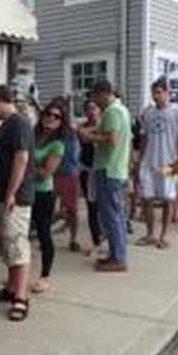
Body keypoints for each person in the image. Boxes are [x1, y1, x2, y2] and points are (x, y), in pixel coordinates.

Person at [0, 85, 35, 322]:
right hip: (3, 194)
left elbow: (22, 158)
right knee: (7, 244)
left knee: (17, 244)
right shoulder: (6, 126)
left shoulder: (19, 124)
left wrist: (11, 192)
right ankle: (12, 287)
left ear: (0, 101)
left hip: (15, 195)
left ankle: (21, 297)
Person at [136, 78, 178, 249]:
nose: (156, 96)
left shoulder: (177, 112)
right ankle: (150, 233)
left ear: (167, 93)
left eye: (159, 92)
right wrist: (139, 159)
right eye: (154, 92)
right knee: (146, 198)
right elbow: (143, 137)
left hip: (169, 163)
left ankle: (163, 236)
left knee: (168, 199)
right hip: (149, 162)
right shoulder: (148, 112)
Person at [87, 80, 132, 272]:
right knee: (117, 215)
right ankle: (116, 253)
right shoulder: (122, 109)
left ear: (104, 93)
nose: (95, 102)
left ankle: (118, 258)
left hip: (109, 169)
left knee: (111, 216)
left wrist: (89, 137)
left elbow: (111, 139)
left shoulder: (112, 111)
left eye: (95, 97)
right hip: (118, 168)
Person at [30, 103, 67, 293]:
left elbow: (45, 173)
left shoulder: (57, 144)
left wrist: (24, 168)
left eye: (56, 116)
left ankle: (45, 275)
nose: (51, 118)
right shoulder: (33, 136)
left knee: (44, 233)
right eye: (48, 114)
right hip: (25, 190)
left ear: (61, 122)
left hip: (43, 192)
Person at [77, 99, 104, 251]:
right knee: (91, 206)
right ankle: (96, 240)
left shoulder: (104, 125)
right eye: (88, 108)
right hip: (87, 170)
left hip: (102, 170)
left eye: (94, 107)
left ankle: (106, 237)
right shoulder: (83, 127)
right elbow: (83, 136)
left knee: (104, 206)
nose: (91, 111)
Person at [53, 125, 81, 252]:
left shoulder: (72, 133)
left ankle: (73, 239)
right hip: (54, 173)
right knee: (47, 208)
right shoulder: (49, 133)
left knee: (72, 209)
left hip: (68, 173)